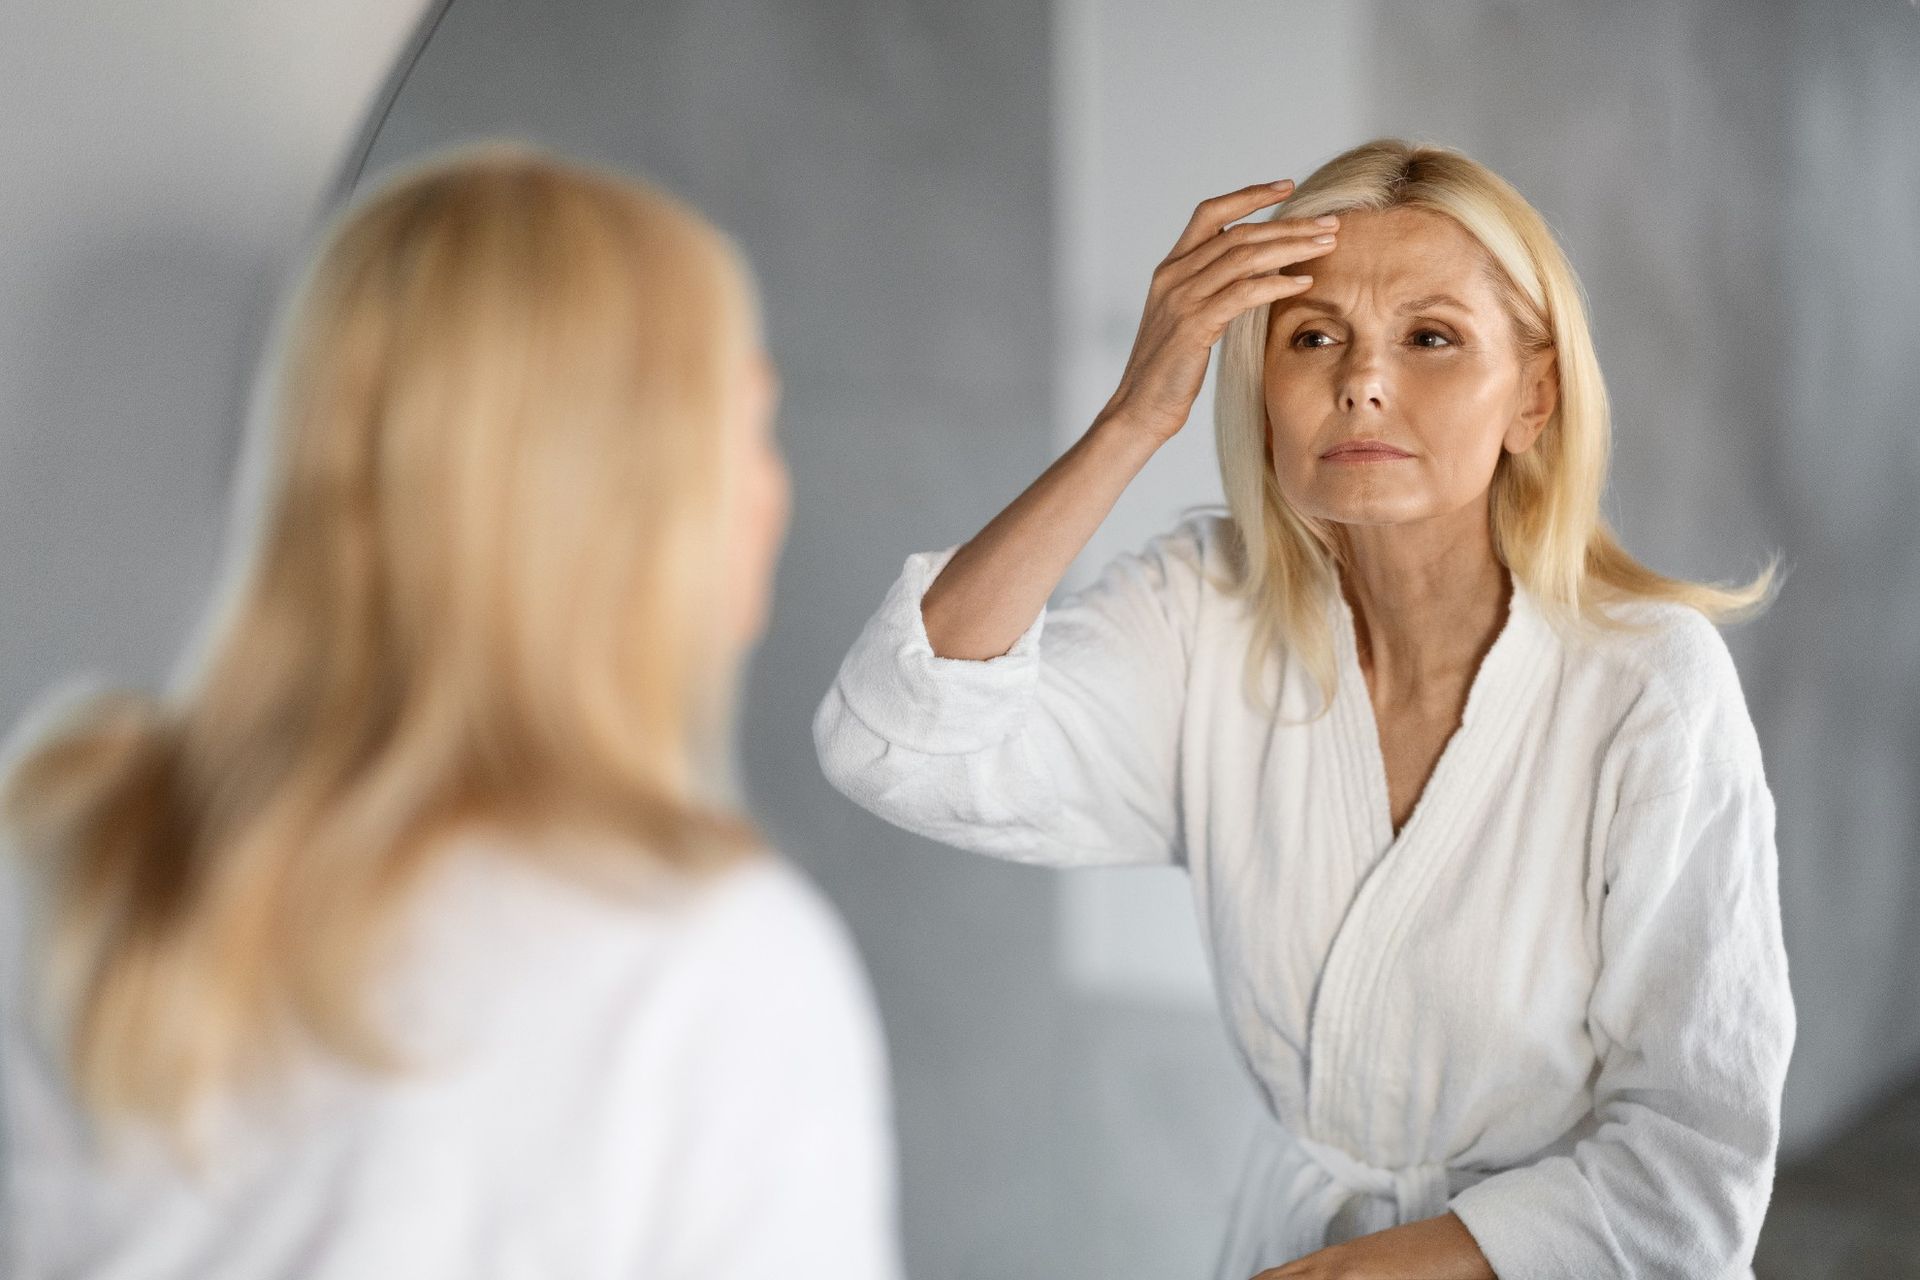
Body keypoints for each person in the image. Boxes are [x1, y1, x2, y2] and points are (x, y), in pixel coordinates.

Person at [813, 137, 1794, 1280]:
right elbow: (895, 740)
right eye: (1313, 336)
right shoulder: (1209, 613)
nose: (1361, 380)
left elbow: (1698, 1159)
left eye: (1431, 338)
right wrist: (1132, 418)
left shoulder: (1648, 686)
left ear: (1534, 395)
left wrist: (1361, 1269)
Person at [0, 141, 901, 1280]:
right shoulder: (708, 963)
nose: (773, 486)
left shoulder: (77, 840)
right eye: (749, 427)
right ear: (625, 492)